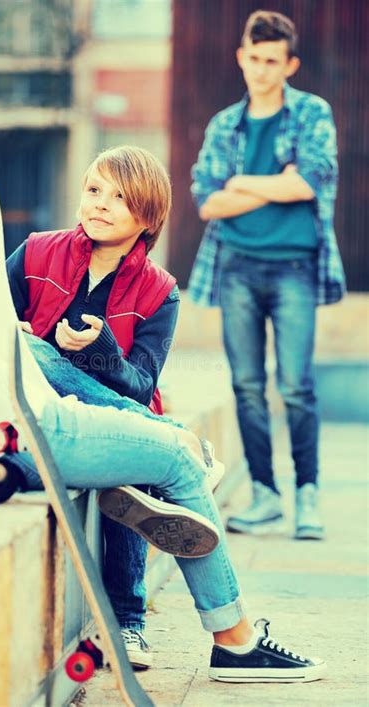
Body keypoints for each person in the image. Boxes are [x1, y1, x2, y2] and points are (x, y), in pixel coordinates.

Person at [0, 42, 327, 684]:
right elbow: (2, 339)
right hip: (6, 421)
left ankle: (121, 459)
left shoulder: (153, 287)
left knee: (84, 399)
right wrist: (73, 404)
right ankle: (235, 643)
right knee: (177, 459)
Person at [6, 144, 192, 668]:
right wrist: (16, 331)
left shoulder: (160, 292)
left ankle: (127, 625)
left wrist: (105, 353)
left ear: (148, 217)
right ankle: (171, 440)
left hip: (108, 418)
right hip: (39, 408)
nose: (99, 204)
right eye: (93, 190)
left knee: (133, 462)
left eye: (119, 197)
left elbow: (140, 385)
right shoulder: (37, 251)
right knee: (36, 351)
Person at [190, 10, 346, 540]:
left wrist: (241, 185)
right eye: (253, 59)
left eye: (272, 61)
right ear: (241, 56)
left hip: (295, 268)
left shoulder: (311, 114)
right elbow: (207, 203)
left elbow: (311, 182)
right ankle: (265, 495)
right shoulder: (223, 125)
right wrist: (271, 182)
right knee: (247, 386)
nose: (260, 70)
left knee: (297, 385)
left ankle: (307, 496)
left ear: (290, 64)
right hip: (236, 267)